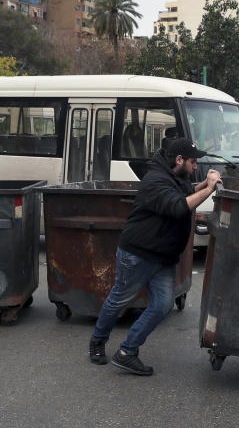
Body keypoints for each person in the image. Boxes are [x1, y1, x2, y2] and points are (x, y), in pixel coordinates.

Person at [88, 138, 222, 375]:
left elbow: (185, 191)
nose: (195, 165)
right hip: (138, 254)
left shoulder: (174, 177)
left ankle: (127, 352)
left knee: (162, 305)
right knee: (119, 299)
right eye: (193, 161)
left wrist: (202, 184)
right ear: (178, 160)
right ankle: (97, 341)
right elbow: (178, 206)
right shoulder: (155, 181)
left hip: (162, 256)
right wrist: (210, 189)